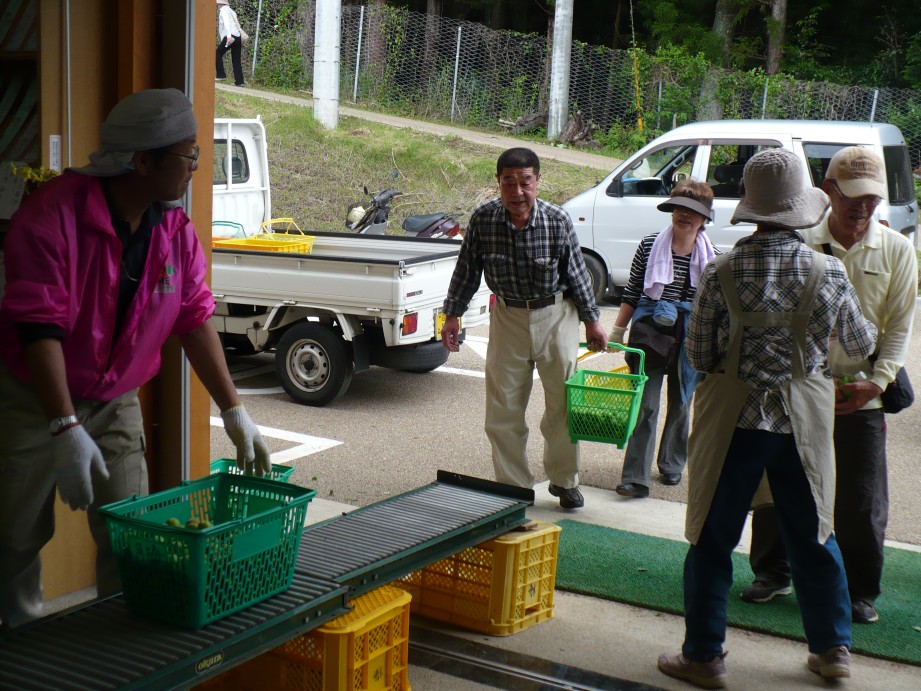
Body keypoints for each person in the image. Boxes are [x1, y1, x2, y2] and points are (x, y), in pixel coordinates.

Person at [0, 88, 271, 629]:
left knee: (132, 534)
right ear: (142, 160)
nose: (196, 167)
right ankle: (17, 646)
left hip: (115, 397)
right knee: (13, 538)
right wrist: (62, 424)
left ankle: (125, 654)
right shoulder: (52, 215)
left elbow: (193, 317)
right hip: (34, 396)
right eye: (188, 155)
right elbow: (39, 326)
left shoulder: (171, 228)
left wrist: (235, 411)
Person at [657, 148, 878, 688]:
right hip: (801, 419)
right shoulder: (827, 271)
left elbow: (699, 356)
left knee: (712, 536)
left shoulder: (720, 269)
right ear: (802, 207)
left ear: (752, 209)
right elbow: (860, 343)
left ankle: (705, 655)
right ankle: (832, 650)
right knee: (814, 534)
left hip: (731, 421)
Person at [740, 147, 917, 625]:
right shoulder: (797, 239)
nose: (863, 209)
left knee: (861, 497)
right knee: (779, 484)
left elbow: (900, 328)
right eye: (853, 198)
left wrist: (876, 384)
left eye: (873, 200)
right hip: (797, 390)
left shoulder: (898, 250)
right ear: (828, 192)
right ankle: (773, 571)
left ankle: (860, 589)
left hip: (862, 395)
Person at [440, 147, 607, 510]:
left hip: (556, 315)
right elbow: (466, 270)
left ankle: (564, 481)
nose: (517, 192)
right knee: (503, 409)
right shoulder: (483, 219)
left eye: (525, 182)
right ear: (498, 183)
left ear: (538, 181)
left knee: (563, 404)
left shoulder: (557, 220)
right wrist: (451, 315)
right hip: (508, 316)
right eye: (508, 183)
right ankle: (514, 486)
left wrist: (593, 321)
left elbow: (577, 275)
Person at [607, 180, 716, 498]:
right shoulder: (649, 244)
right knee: (646, 405)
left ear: (704, 219)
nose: (684, 215)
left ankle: (672, 465)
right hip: (650, 330)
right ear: (671, 210)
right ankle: (635, 477)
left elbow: (712, 307)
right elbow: (632, 290)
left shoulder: (712, 257)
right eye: (680, 208)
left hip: (690, 334)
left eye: (693, 212)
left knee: (682, 403)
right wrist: (617, 331)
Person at [216, 0, 246, 87]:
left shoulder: (223, 11)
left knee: (217, 53)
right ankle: (240, 81)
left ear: (221, 3)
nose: (217, 5)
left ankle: (221, 75)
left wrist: (228, 36)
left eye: (218, 4)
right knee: (236, 59)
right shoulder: (231, 11)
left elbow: (227, 23)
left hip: (230, 36)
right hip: (237, 36)